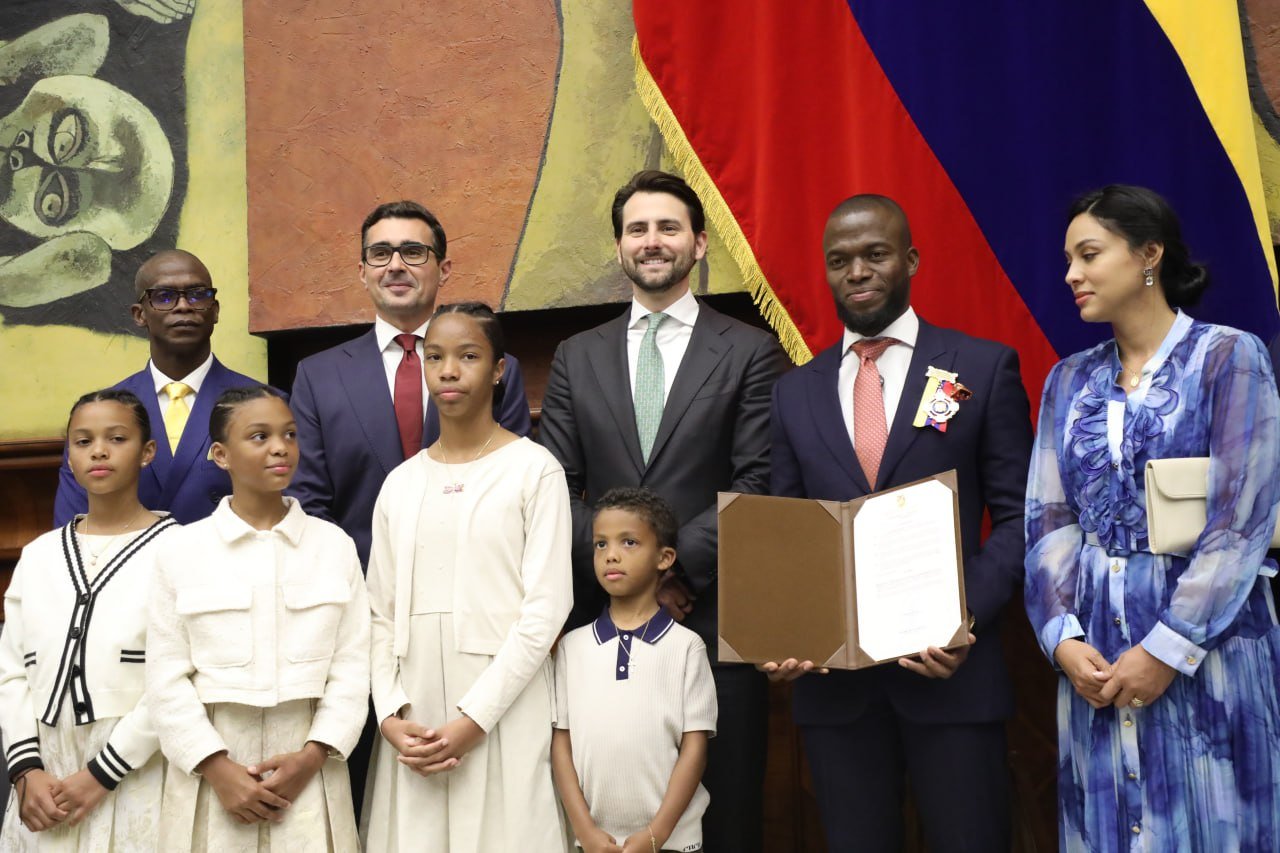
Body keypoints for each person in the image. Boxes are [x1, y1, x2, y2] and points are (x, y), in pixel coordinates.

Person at [767, 195, 1032, 852]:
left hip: (952, 674)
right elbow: (788, 532)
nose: (857, 270)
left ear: (909, 259)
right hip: (837, 695)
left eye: (874, 253)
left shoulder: (981, 367)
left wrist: (960, 613)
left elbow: (1022, 516)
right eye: (839, 260)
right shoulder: (793, 391)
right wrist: (784, 631)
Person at [1025, 184, 1280, 850]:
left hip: (1210, 651)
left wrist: (1167, 649)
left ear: (1149, 254)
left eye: (1088, 254)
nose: (1071, 274)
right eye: (1069, 259)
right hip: (1097, 662)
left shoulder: (1228, 357)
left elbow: (1240, 526)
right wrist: (1062, 640)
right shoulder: (1068, 380)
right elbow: (1047, 523)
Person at [538, 170, 786, 852]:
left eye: (668, 227)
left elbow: (758, 481)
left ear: (700, 244)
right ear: (619, 248)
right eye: (637, 229)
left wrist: (676, 571)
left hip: (710, 618)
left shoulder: (748, 351)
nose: (653, 242)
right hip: (601, 622)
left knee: (726, 817)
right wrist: (633, 569)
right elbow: (552, 484)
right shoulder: (575, 357)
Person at [363, 302, 571, 852]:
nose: (449, 371)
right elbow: (378, 613)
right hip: (414, 710)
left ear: (500, 368)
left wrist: (473, 720)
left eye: (468, 356)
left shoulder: (534, 470)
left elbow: (546, 610)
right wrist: (389, 712)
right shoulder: (401, 483)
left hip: (502, 704)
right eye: (436, 357)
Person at [145, 386, 370, 852]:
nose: (279, 447)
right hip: (213, 769)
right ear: (221, 454)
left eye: (289, 434)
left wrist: (312, 757)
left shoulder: (333, 546)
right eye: (259, 436)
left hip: (310, 765)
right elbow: (165, 678)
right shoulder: (182, 552)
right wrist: (217, 768)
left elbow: (352, 668)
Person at [288, 200, 532, 567]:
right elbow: (307, 503)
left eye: (413, 252)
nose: (395, 266)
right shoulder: (317, 377)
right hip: (361, 593)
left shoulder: (499, 371)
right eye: (380, 253)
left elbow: (516, 490)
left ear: (444, 269)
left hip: (474, 588)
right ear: (362, 271)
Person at [0, 389, 179, 849]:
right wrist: (25, 771)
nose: (98, 451)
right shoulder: (38, 555)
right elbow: (11, 672)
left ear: (147, 452)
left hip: (139, 767)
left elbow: (181, 679)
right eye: (82, 442)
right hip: (44, 774)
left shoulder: (180, 551)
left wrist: (103, 773)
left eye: (116, 438)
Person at [552, 487, 716, 853]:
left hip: (671, 843)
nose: (610, 555)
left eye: (628, 543)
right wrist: (586, 831)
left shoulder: (686, 647)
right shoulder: (571, 647)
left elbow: (695, 749)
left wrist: (655, 835)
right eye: (600, 545)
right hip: (592, 844)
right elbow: (561, 744)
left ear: (665, 558)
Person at [53, 250, 266, 525]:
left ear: (215, 311)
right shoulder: (99, 416)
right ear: (139, 315)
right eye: (164, 297)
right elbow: (72, 527)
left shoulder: (262, 406)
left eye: (197, 294)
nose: (183, 306)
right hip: (128, 565)